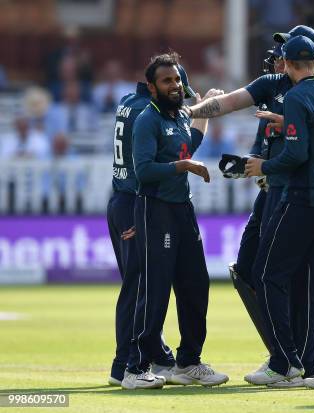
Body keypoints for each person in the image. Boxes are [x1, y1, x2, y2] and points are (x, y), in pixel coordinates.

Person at [187, 25, 314, 388]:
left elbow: (313, 152)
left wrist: (271, 167)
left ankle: (301, 360)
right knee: (248, 269)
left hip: (300, 194)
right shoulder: (271, 85)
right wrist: (190, 112)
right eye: (280, 50)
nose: (278, 57)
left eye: (286, 51)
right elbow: (229, 103)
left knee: (294, 277)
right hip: (271, 193)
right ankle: (285, 353)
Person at [244, 35, 314, 389]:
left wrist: (264, 166)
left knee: (266, 273)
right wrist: (288, 122)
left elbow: (295, 156)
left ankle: (284, 362)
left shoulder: (295, 96)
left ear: (288, 64)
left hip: (306, 196)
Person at [122, 52, 228, 390]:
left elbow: (190, 142)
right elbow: (145, 170)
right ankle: (134, 368)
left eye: (177, 79)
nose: (175, 85)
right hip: (156, 209)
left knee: (196, 286)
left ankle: (188, 363)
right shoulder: (147, 120)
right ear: (152, 87)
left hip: (183, 210)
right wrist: (184, 167)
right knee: (155, 292)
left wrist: (207, 108)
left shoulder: (180, 116)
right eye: (167, 80)